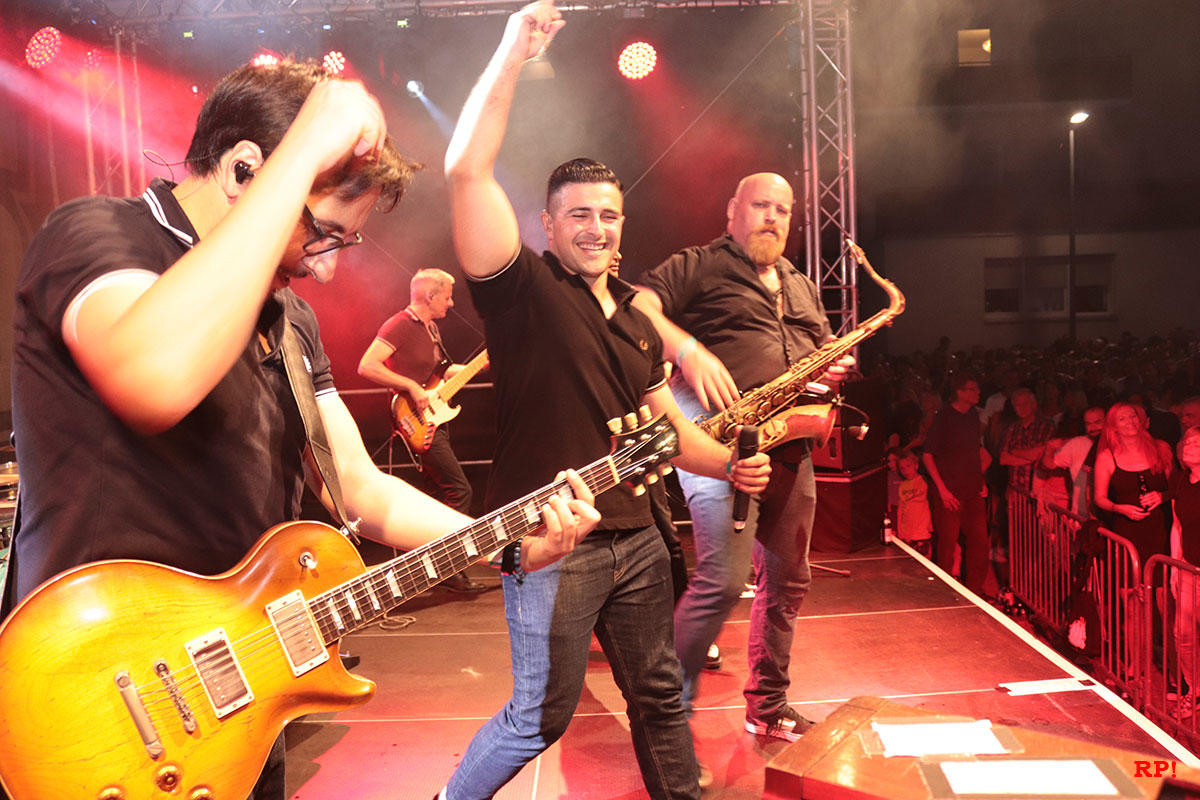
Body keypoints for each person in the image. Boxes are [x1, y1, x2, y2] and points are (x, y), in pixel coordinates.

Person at [5, 60, 599, 800]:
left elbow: (359, 486)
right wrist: (309, 142)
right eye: (322, 234)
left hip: (237, 706)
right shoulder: (99, 234)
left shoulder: (289, 319)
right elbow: (152, 379)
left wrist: (505, 543)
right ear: (244, 170)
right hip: (100, 696)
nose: (325, 269)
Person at [437, 5, 771, 799]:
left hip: (639, 538)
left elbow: (666, 427)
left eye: (609, 215)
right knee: (538, 716)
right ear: (548, 224)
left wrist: (730, 465)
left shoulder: (635, 318)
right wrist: (513, 51)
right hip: (553, 542)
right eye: (579, 214)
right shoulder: (521, 289)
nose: (597, 228)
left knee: (658, 696)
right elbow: (466, 172)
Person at [632, 171, 853, 743]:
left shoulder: (800, 284)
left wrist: (831, 369)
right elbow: (636, 307)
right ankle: (664, 718)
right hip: (720, 442)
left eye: (783, 209)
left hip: (791, 446)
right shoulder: (700, 264)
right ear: (733, 209)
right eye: (761, 205)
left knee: (788, 582)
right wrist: (688, 349)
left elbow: (817, 356)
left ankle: (768, 706)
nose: (773, 217)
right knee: (723, 581)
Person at [358, 268, 486, 592]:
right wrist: (411, 387)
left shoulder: (431, 328)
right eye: (447, 297)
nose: (451, 303)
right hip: (414, 420)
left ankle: (429, 573)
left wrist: (482, 364)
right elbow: (367, 366)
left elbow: (441, 373)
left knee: (437, 497)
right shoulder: (399, 324)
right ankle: (449, 568)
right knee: (460, 491)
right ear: (430, 296)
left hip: (435, 418)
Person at [922, 372, 992, 595]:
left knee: (979, 543)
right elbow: (928, 455)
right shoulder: (944, 417)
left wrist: (980, 479)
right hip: (950, 494)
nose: (978, 392)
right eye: (973, 389)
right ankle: (945, 593)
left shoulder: (972, 415)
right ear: (960, 392)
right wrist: (942, 490)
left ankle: (975, 591)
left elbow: (973, 451)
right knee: (947, 546)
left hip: (972, 491)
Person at [1093, 402, 1173, 567]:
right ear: (1113, 427)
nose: (1130, 421)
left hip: (1161, 528)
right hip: (1126, 530)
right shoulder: (1107, 457)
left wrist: (1162, 496)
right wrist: (1119, 508)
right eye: (1122, 419)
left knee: (1160, 579)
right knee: (1129, 579)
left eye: (1133, 416)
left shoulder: (1161, 448)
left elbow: (1177, 488)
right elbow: (1099, 498)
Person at [1169, 425, 1200, 719]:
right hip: (1189, 566)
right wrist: (1174, 567)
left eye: (1197, 443)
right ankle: (1196, 689)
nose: (1189, 446)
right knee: (1183, 633)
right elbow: (1177, 525)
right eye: (1187, 441)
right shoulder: (1180, 480)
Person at [1041, 405, 1106, 518]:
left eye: (1097, 422)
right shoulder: (1076, 444)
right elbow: (1049, 465)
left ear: (1107, 421)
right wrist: (1049, 449)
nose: (1093, 427)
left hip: (1107, 515)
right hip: (1081, 516)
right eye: (1088, 424)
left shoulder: (1117, 444)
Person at [896, 450, 934, 558]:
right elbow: (900, 508)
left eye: (908, 466)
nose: (905, 470)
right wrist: (899, 530)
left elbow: (931, 503)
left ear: (916, 466)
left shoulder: (924, 481)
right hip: (906, 533)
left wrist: (931, 523)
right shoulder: (902, 485)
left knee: (923, 561)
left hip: (921, 532)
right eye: (902, 468)